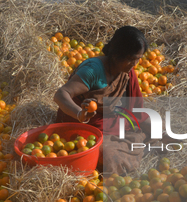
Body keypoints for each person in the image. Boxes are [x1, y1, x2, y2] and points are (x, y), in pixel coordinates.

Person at [53, 26, 151, 175]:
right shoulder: (93, 71)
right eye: (131, 59)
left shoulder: (126, 73)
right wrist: (80, 113)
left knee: (142, 134)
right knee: (109, 157)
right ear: (118, 54)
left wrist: (158, 131)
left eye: (138, 59)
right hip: (79, 125)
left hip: (104, 121)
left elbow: (136, 109)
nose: (135, 65)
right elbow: (61, 94)